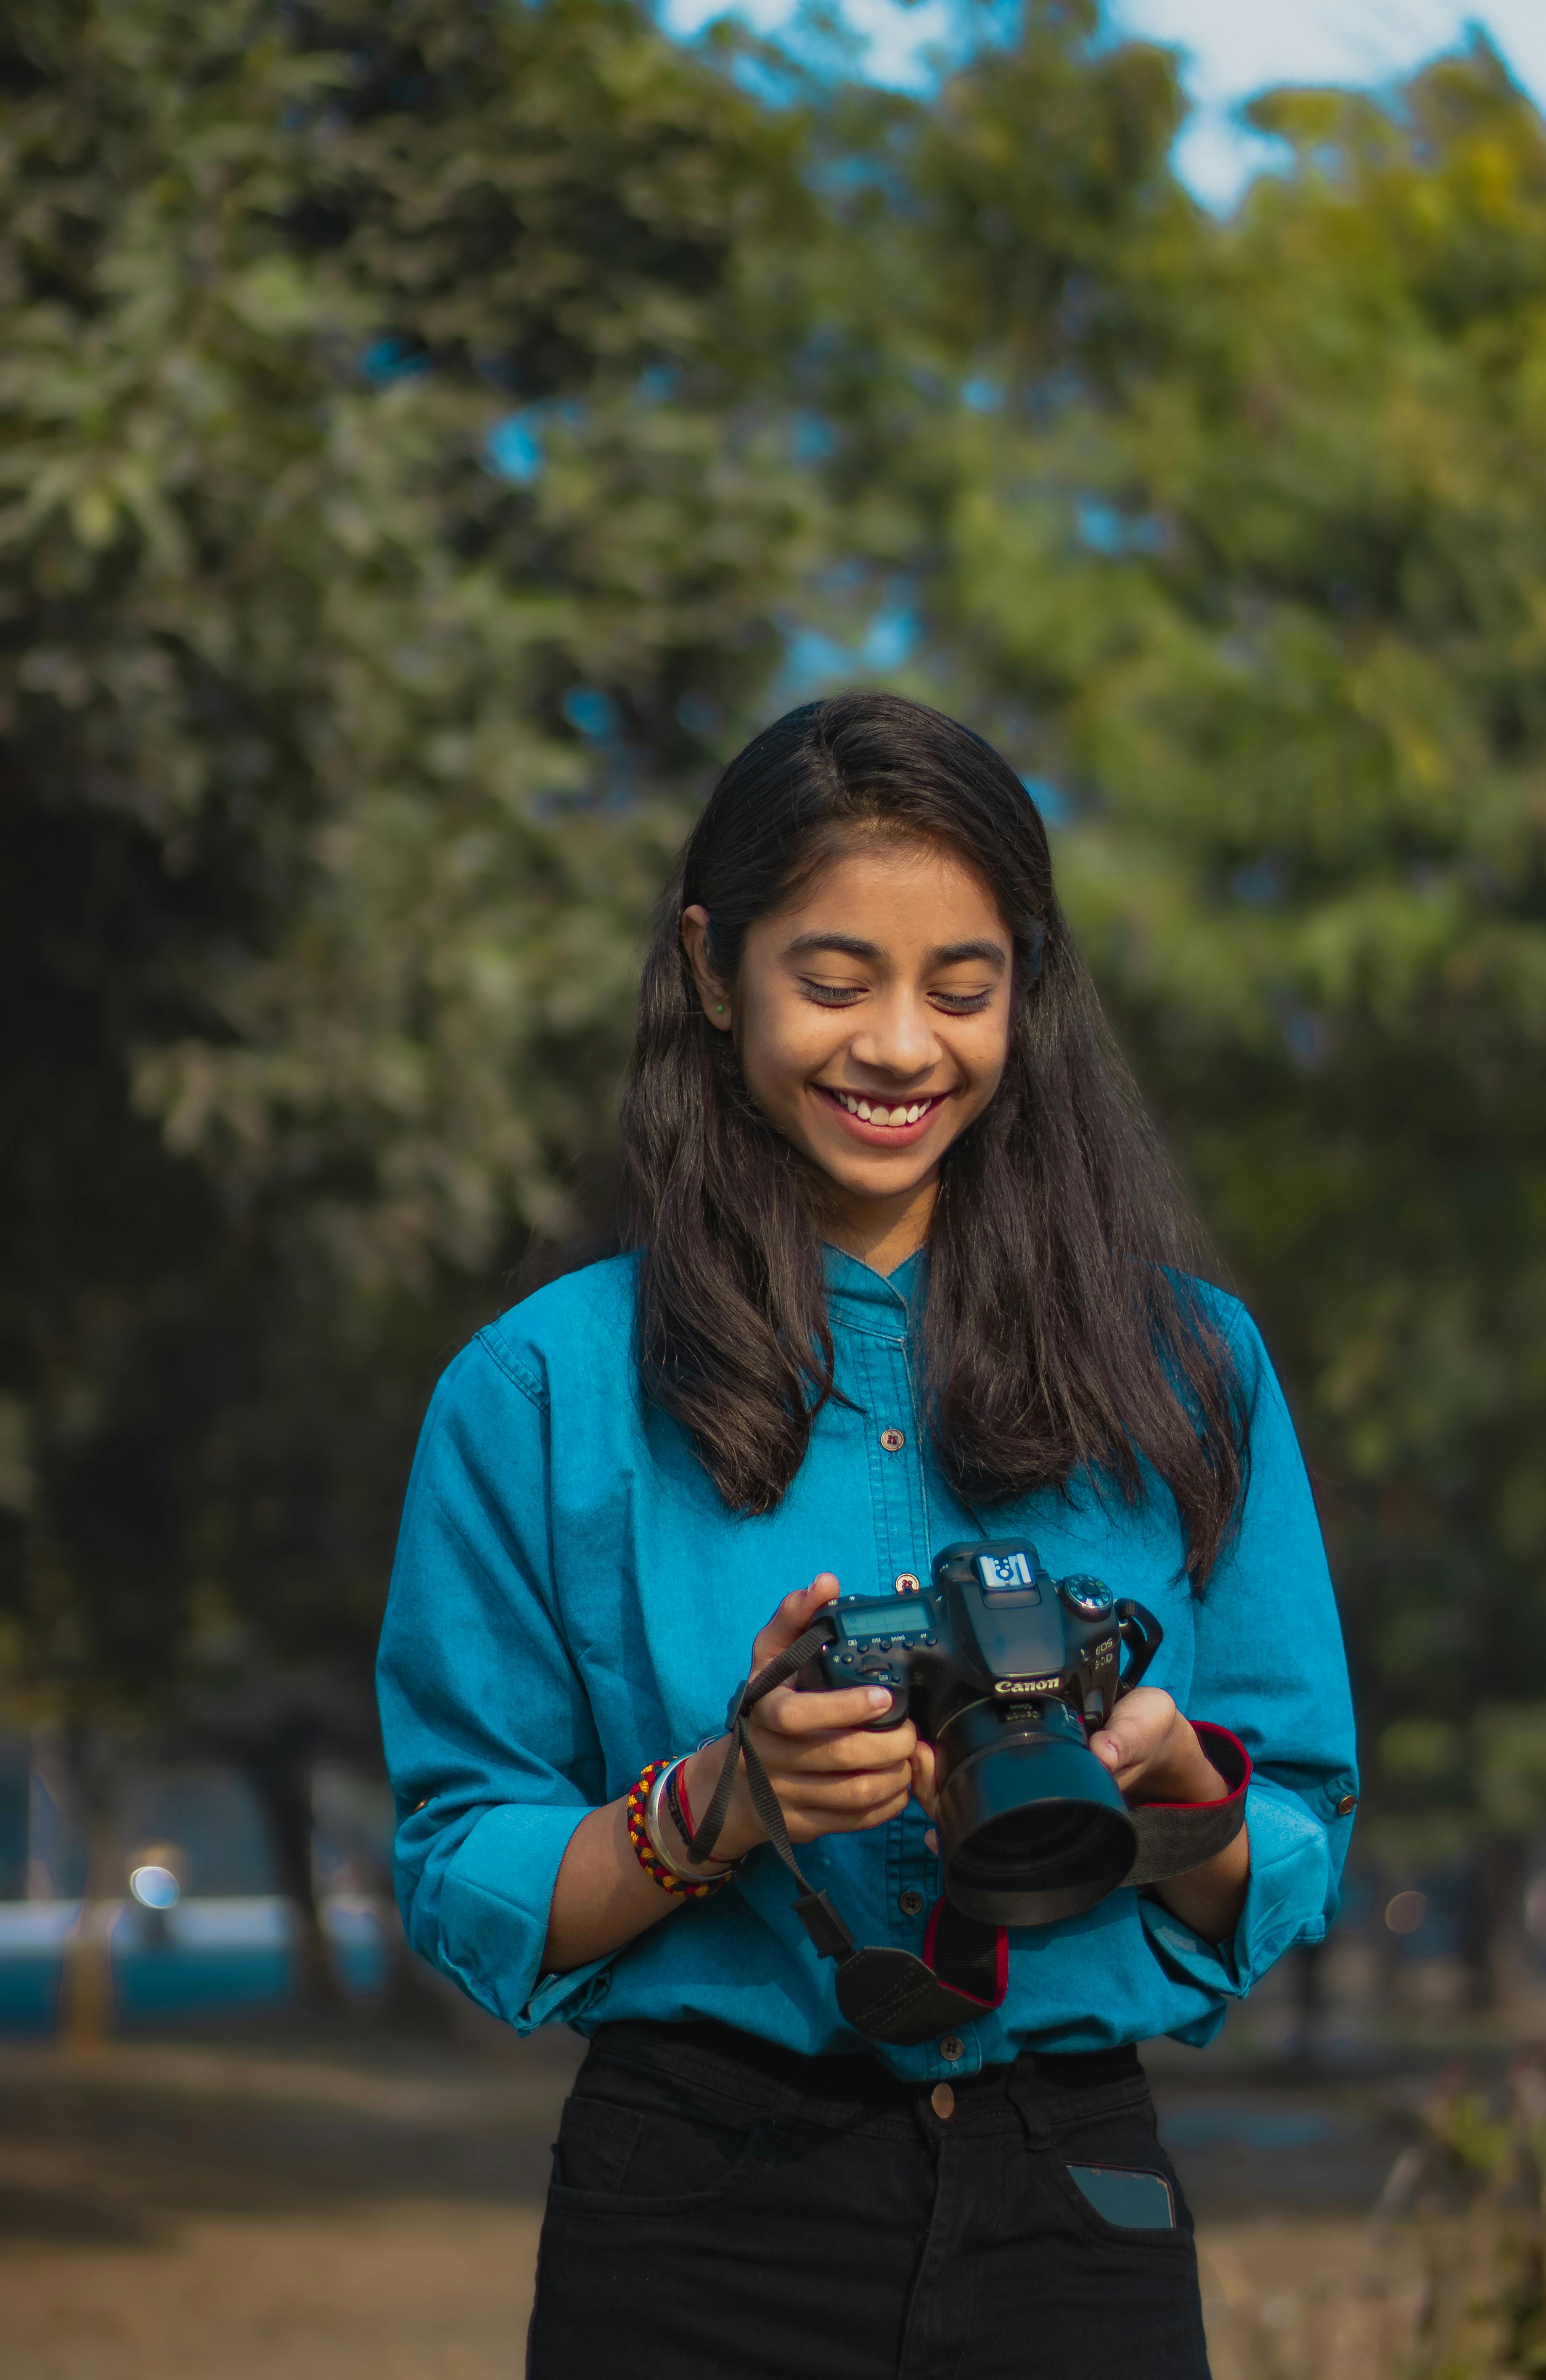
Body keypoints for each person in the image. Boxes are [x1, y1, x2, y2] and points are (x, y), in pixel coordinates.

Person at [377, 692, 1357, 2380]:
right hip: (695, 2209)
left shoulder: (1191, 1367)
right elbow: (464, 1864)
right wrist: (720, 1802)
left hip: (1076, 2206)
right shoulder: (535, 1391)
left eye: (960, 989)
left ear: (1025, 996)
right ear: (711, 968)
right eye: (832, 980)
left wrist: (1175, 1794)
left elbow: (1292, 1847)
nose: (898, 1047)